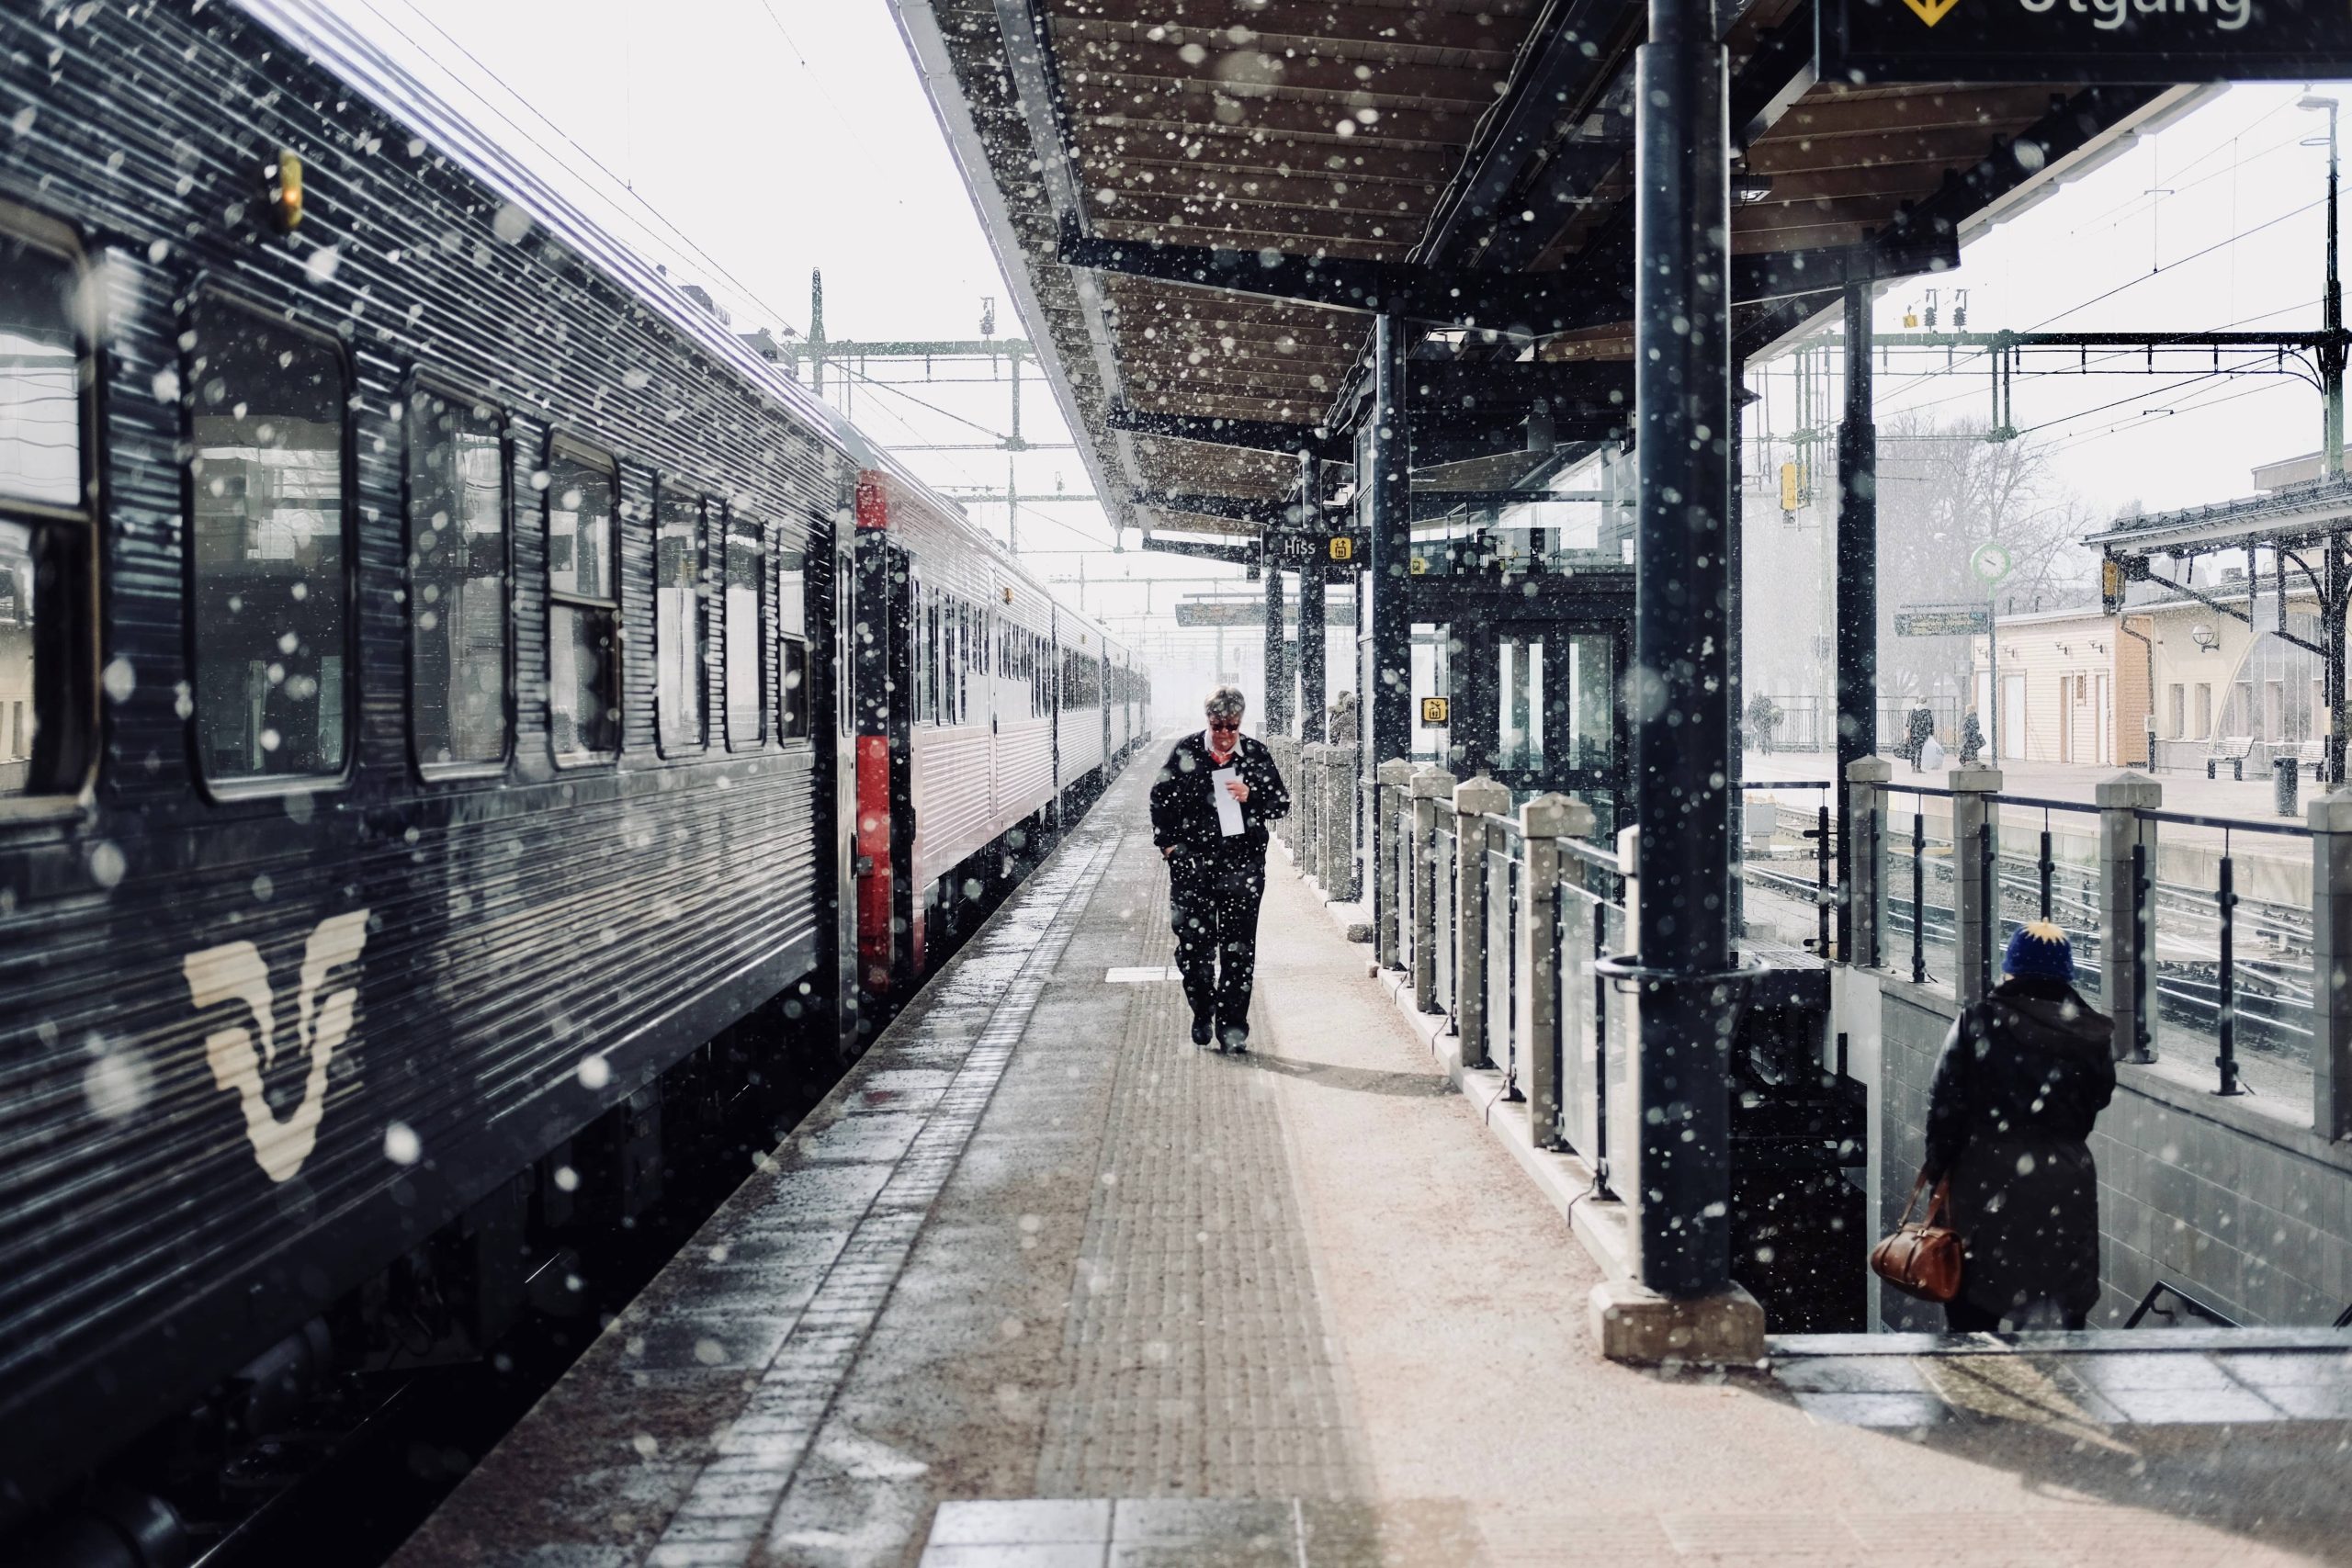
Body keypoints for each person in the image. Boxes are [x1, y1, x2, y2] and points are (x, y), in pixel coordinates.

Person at [1920, 920, 2116, 1332]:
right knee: (2061, 1301)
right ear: (2066, 975)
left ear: (2011, 970)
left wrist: (1938, 1169)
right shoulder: (2092, 1036)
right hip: (2066, 1176)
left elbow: (1944, 1107)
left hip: (1984, 1176)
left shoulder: (1976, 1022)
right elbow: (2095, 1103)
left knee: (1973, 1306)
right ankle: (2061, 1385)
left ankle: (1974, 1387)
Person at [1149, 685, 1291, 1052]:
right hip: (1191, 869)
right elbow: (1159, 799)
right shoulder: (1186, 751)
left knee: (1238, 953)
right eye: (1218, 725)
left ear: (1240, 722)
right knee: (1194, 951)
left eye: (1232, 725)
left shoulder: (1255, 755)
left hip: (1241, 869)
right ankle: (1202, 1007)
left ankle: (1232, 1029)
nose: (1225, 734)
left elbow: (1280, 804)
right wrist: (1168, 845)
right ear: (1207, 722)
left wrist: (1251, 795)